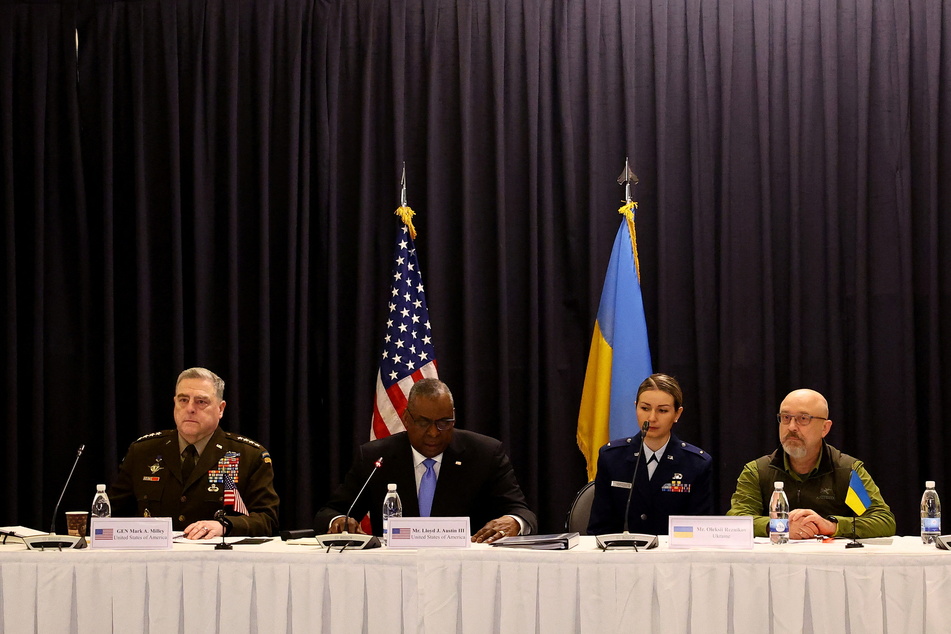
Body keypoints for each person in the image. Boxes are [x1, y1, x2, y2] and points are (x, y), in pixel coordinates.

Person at [315, 378, 538, 542]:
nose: (433, 433)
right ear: (406, 419)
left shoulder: (485, 454)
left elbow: (523, 513)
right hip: (395, 571)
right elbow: (329, 513)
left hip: (467, 571)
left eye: (444, 423)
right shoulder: (376, 458)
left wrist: (513, 522)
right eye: (423, 423)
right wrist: (339, 521)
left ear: (454, 417)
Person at [109, 367, 280, 538]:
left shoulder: (248, 455)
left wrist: (225, 525)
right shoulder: (143, 451)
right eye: (183, 400)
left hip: (219, 560)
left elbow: (267, 520)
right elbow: (110, 514)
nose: (190, 408)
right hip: (154, 560)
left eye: (201, 402)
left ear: (220, 409)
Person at [727, 388, 895, 539]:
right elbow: (736, 519)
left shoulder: (847, 471)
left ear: (825, 428)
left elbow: (883, 520)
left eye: (803, 418)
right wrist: (780, 527)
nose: (791, 427)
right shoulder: (758, 471)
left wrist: (832, 526)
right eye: (786, 418)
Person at [587, 373, 713, 535]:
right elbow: (598, 528)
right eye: (645, 408)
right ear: (635, 407)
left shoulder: (696, 463)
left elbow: (699, 531)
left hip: (673, 557)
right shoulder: (611, 457)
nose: (651, 418)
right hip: (621, 554)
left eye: (662, 410)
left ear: (677, 414)